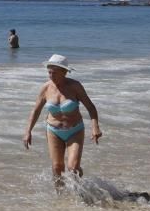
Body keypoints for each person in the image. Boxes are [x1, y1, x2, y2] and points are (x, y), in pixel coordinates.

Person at [22, 55, 102, 189]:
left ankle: (80, 190)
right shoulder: (46, 88)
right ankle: (61, 196)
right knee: (57, 167)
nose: (51, 76)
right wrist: (28, 131)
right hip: (53, 131)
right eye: (49, 72)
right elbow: (35, 111)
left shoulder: (75, 86)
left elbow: (91, 107)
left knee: (73, 167)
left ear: (64, 72)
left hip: (75, 130)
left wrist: (95, 127)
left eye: (54, 73)